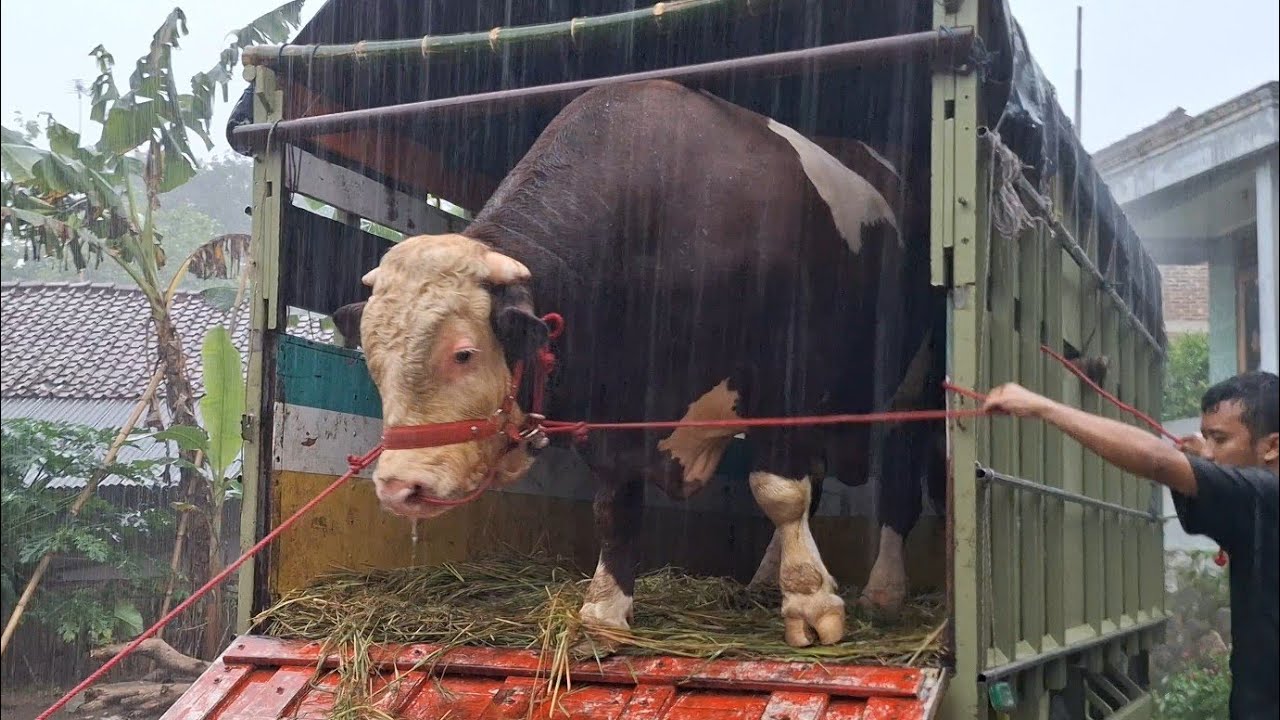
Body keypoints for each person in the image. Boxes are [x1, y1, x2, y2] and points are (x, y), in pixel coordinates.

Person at [982, 370, 1277, 720]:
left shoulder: (1264, 494)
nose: (1209, 454)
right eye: (1206, 439)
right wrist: (1206, 455)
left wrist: (1042, 407)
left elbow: (1157, 460)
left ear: (1272, 445)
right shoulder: (1259, 501)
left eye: (1220, 439)